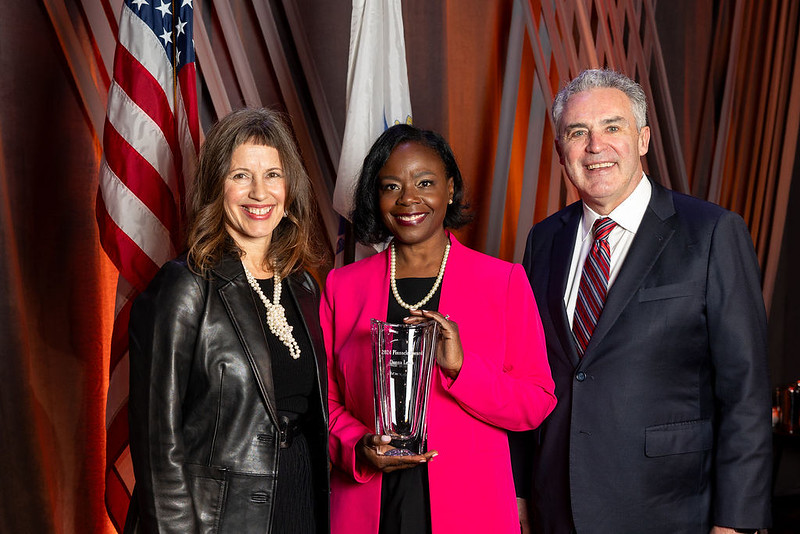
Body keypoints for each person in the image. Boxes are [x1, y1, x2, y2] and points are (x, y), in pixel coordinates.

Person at [512, 69, 772, 533]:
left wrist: (737, 522)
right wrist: (519, 495)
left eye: (613, 127)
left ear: (644, 138)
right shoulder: (543, 240)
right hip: (557, 506)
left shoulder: (712, 232)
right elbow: (526, 375)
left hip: (669, 507)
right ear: (561, 151)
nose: (596, 146)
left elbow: (745, 391)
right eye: (578, 132)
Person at [321, 123, 556, 534]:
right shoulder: (344, 286)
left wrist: (463, 370)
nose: (409, 198)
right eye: (391, 186)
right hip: (370, 505)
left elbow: (535, 403)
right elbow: (324, 402)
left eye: (425, 182)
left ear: (449, 189)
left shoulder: (502, 282)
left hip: (471, 508)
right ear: (376, 198)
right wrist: (359, 445)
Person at [123, 108, 331, 533]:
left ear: (290, 189)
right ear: (217, 186)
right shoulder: (185, 287)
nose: (260, 192)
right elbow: (156, 443)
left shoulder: (303, 288)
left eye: (273, 174)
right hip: (217, 519)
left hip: (300, 503)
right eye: (241, 176)